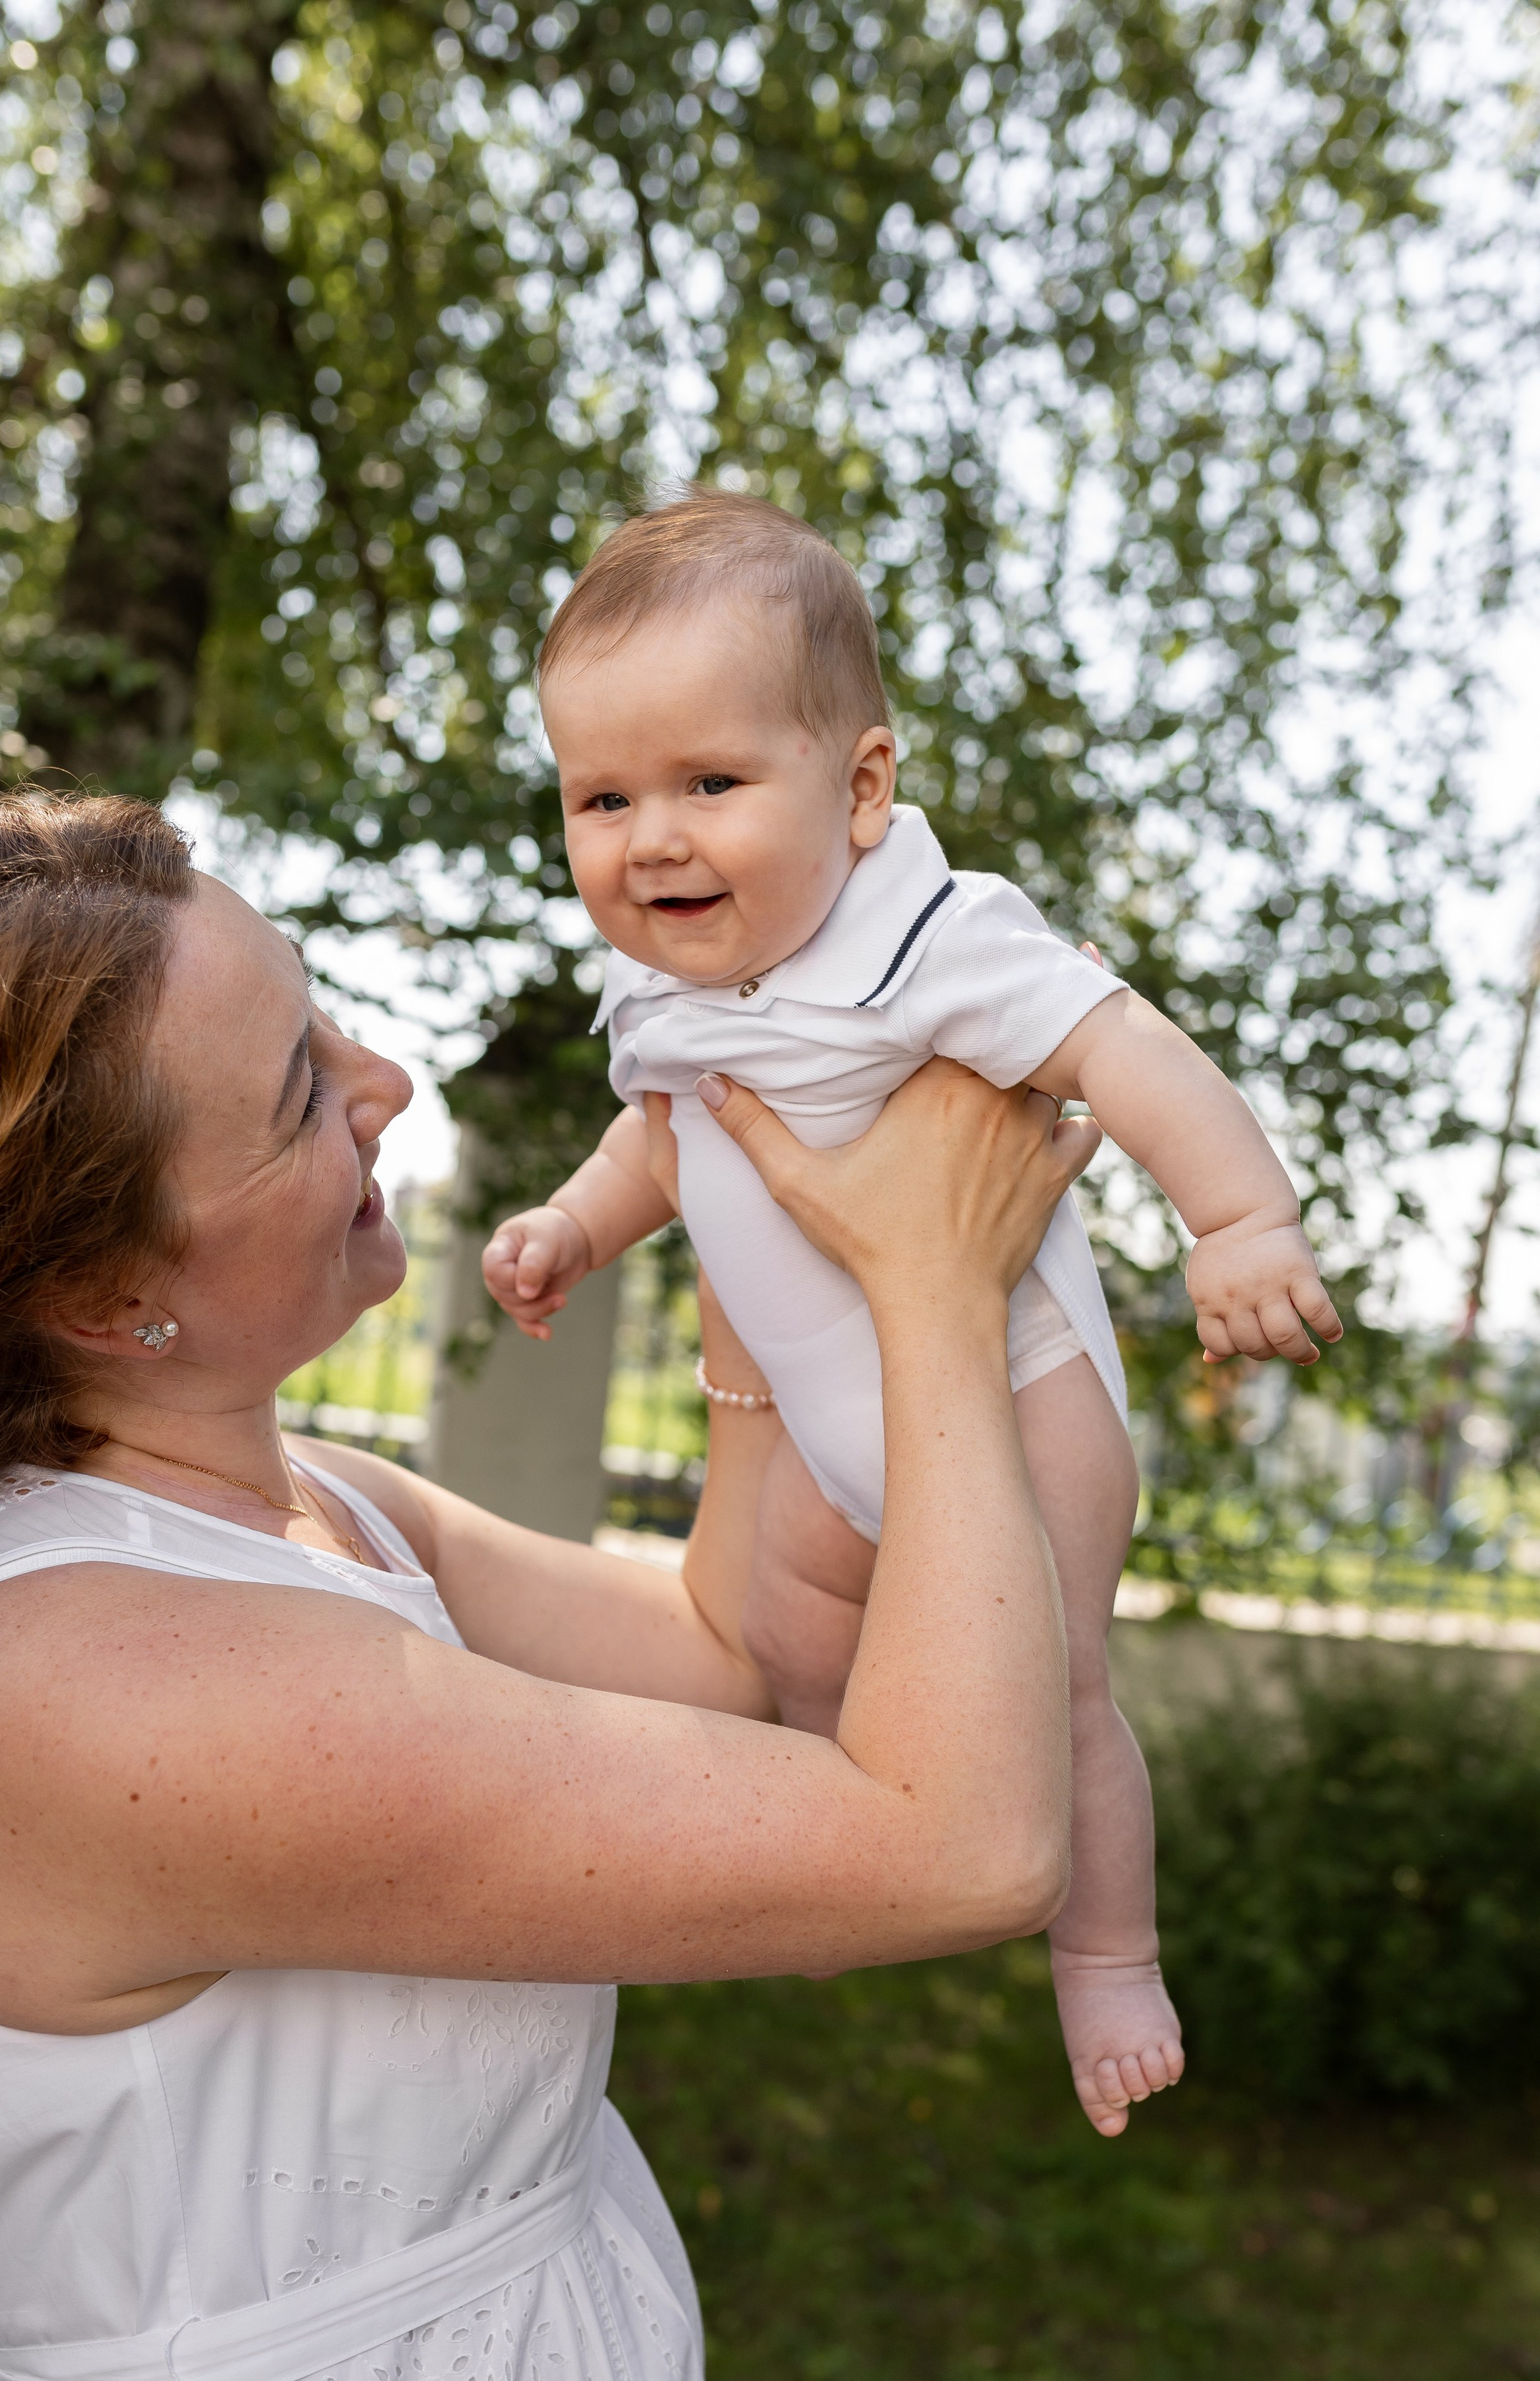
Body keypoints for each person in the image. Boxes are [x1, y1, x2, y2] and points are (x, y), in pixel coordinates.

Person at [0, 792, 1091, 2381]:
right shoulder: (110, 1688)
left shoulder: (309, 1506)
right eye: (295, 1090)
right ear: (114, 1299)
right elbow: (960, 1842)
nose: (389, 1074)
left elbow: (742, 1663)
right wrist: (938, 1295)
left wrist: (772, 1242)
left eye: (324, 1012)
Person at [482, 489, 1345, 2140]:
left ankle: (1103, 1951)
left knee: (1060, 1683)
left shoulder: (933, 939)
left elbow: (1122, 1048)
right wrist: (574, 1227)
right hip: (827, 1432)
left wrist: (1239, 1222)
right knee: (803, 1649)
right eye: (602, 796)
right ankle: (838, 1866)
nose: (650, 837)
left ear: (860, 787)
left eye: (710, 784)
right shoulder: (662, 989)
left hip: (1017, 1402)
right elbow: (657, 1138)